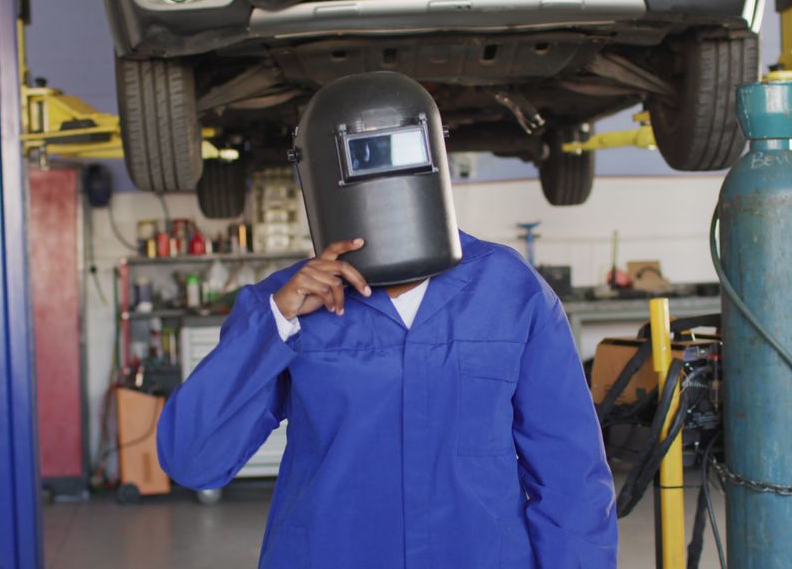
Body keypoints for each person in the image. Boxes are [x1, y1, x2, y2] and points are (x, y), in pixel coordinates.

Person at [156, 72, 617, 569]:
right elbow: (193, 458)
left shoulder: (509, 290)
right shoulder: (285, 303)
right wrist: (275, 321)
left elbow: (571, 472)